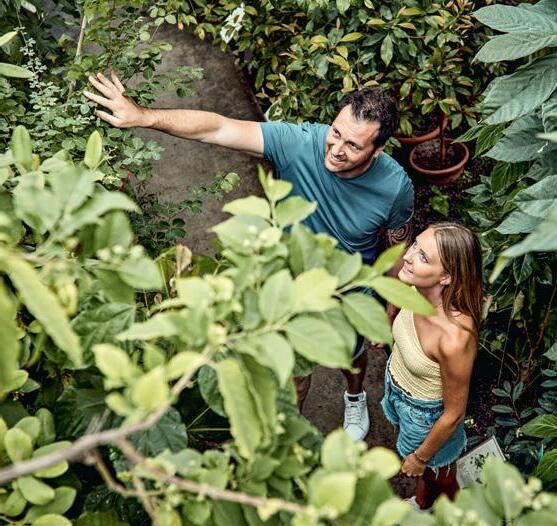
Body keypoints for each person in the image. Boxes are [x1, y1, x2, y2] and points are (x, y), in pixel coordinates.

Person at [84, 72, 415, 441]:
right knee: (295, 374)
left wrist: (390, 305)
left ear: (377, 150)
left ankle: (355, 396)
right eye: (335, 133)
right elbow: (218, 128)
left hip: (348, 290)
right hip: (288, 284)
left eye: (353, 145)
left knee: (351, 357)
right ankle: (285, 437)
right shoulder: (300, 143)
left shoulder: (395, 188)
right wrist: (144, 116)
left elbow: (398, 243)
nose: (336, 149)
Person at [380, 222, 482, 509]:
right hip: (397, 390)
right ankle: (423, 504)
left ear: (446, 277)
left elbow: (454, 414)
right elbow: (400, 313)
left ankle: (457, 515)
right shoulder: (415, 286)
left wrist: (420, 457)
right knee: (428, 476)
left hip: (426, 417)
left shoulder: (454, 338)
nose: (408, 256)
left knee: (442, 476)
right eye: (415, 244)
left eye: (423, 257)